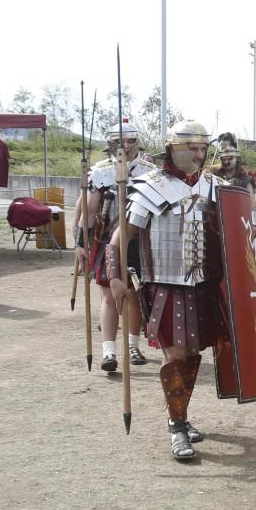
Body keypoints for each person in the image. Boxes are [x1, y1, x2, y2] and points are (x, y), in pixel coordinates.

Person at [106, 120, 226, 461]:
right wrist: (115, 276)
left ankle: (182, 416)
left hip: (202, 285)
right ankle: (177, 427)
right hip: (165, 285)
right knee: (175, 356)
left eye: (203, 149)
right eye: (193, 148)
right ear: (175, 149)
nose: (200, 155)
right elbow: (120, 237)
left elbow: (231, 232)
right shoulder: (151, 186)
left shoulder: (213, 186)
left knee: (191, 356)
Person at [73, 120, 155, 372]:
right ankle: (109, 351)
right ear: (111, 144)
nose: (126, 146)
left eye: (130, 141)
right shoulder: (100, 172)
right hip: (107, 240)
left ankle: (132, 344)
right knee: (109, 296)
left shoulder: (151, 172)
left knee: (134, 295)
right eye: (120, 142)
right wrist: (80, 243)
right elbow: (89, 211)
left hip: (140, 243)